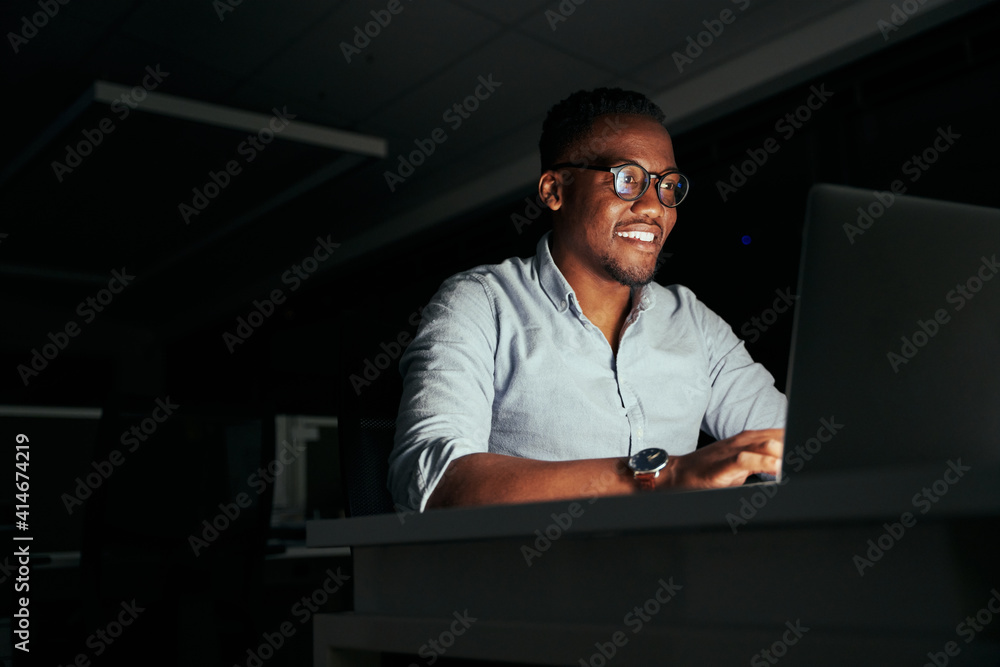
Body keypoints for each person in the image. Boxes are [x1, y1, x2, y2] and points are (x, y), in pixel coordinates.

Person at [388, 88, 786, 512]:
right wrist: (664, 476)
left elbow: (791, 446)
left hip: (676, 570)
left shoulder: (693, 322)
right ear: (555, 189)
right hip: (533, 572)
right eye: (628, 179)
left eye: (668, 186)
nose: (655, 208)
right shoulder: (480, 303)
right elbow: (432, 479)